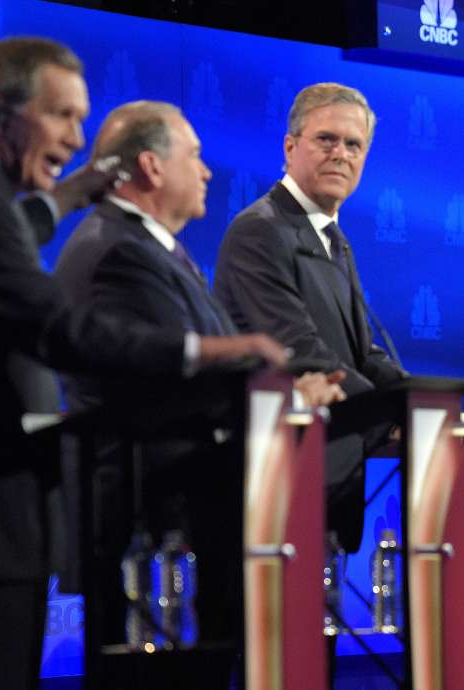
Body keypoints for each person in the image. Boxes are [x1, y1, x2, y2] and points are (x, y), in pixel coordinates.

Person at [0, 37, 284, 690]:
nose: (77, 136)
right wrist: (209, 350)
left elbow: (9, 234)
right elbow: (59, 331)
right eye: (62, 116)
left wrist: (72, 194)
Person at [53, 100, 344, 661]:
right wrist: (287, 394)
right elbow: (166, 387)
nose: (208, 171)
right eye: (195, 155)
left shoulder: (152, 247)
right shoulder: (118, 251)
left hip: (192, 523)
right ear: (152, 167)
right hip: (152, 538)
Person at [214, 82, 407, 554]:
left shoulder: (334, 238)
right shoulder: (259, 231)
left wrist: (418, 402)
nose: (341, 154)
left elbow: (364, 352)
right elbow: (297, 348)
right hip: (282, 472)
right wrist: (392, 415)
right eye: (327, 140)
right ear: (290, 146)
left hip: (334, 468)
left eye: (354, 145)